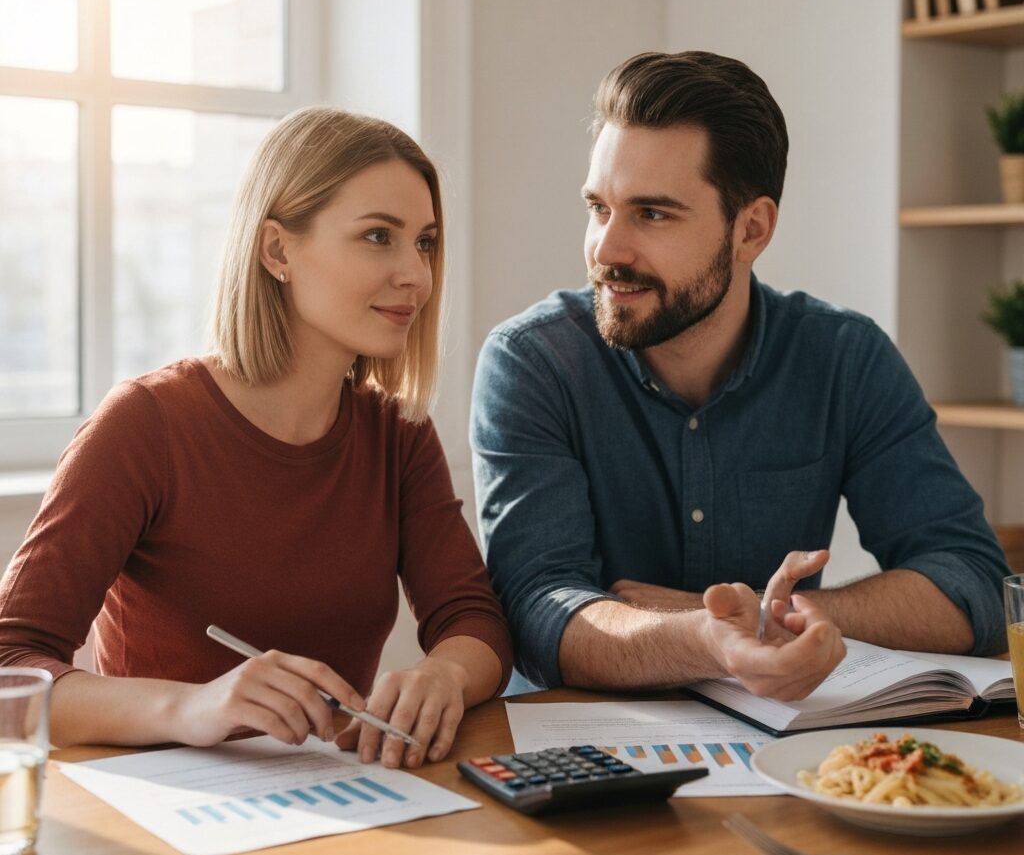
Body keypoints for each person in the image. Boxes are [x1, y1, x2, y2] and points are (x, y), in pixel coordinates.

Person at [470, 50, 1008, 700]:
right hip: (585, 768)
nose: (607, 250)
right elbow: (537, 609)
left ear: (751, 230)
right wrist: (709, 638)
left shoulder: (844, 359)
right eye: (599, 208)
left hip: (786, 755)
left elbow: (971, 582)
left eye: (653, 214)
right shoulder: (534, 363)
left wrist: (759, 618)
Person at [0, 107, 512, 768]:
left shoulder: (396, 436)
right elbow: (10, 669)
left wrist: (442, 676)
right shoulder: (145, 425)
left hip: (339, 801)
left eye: (425, 242)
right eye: (379, 236)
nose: (416, 274)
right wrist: (193, 707)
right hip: (168, 816)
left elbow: (475, 622)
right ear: (277, 250)